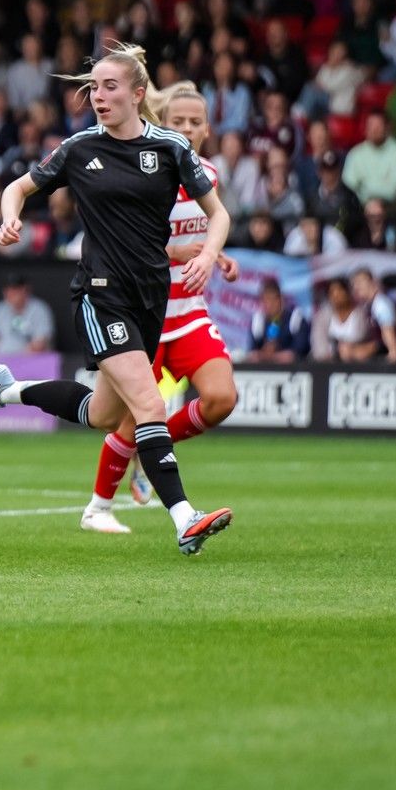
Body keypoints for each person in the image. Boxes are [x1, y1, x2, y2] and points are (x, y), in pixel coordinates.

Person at [0, 42, 234, 556]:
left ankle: (5, 391)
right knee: (150, 404)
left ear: (138, 94)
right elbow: (17, 188)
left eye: (109, 87)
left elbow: (217, 214)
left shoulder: (171, 150)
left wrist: (206, 256)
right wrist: (9, 218)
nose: (98, 97)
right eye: (93, 88)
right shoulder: (79, 148)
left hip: (149, 297)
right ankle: (184, 518)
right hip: (100, 293)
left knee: (106, 416)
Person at [72, 80, 240, 533]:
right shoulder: (144, 171)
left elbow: (203, 231)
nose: (187, 129)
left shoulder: (208, 174)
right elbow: (126, 240)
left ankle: (153, 454)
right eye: (178, 121)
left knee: (222, 398)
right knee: (128, 419)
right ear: (163, 125)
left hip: (188, 312)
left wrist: (214, 255)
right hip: (141, 311)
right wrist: (177, 255)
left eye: (196, 122)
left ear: (208, 129)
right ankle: (99, 506)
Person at [335, 268, 396, 362]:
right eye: (354, 284)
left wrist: (393, 353)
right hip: (376, 347)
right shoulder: (368, 305)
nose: (356, 287)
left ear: (372, 282)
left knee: (349, 352)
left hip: (382, 350)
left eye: (360, 282)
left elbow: (388, 331)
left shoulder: (381, 304)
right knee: (345, 348)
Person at [0, 274, 54, 354]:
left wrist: (18, 358)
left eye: (15, 289)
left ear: (25, 289)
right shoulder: (0, 309)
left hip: (30, 360)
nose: (11, 293)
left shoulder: (39, 309)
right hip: (1, 360)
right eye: (8, 289)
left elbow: (41, 342)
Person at [247, 280, 311, 362]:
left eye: (272, 299)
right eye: (265, 300)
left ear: (280, 299)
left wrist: (271, 356)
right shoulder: (258, 321)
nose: (269, 304)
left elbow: (298, 352)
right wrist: (265, 354)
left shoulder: (295, 320)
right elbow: (253, 353)